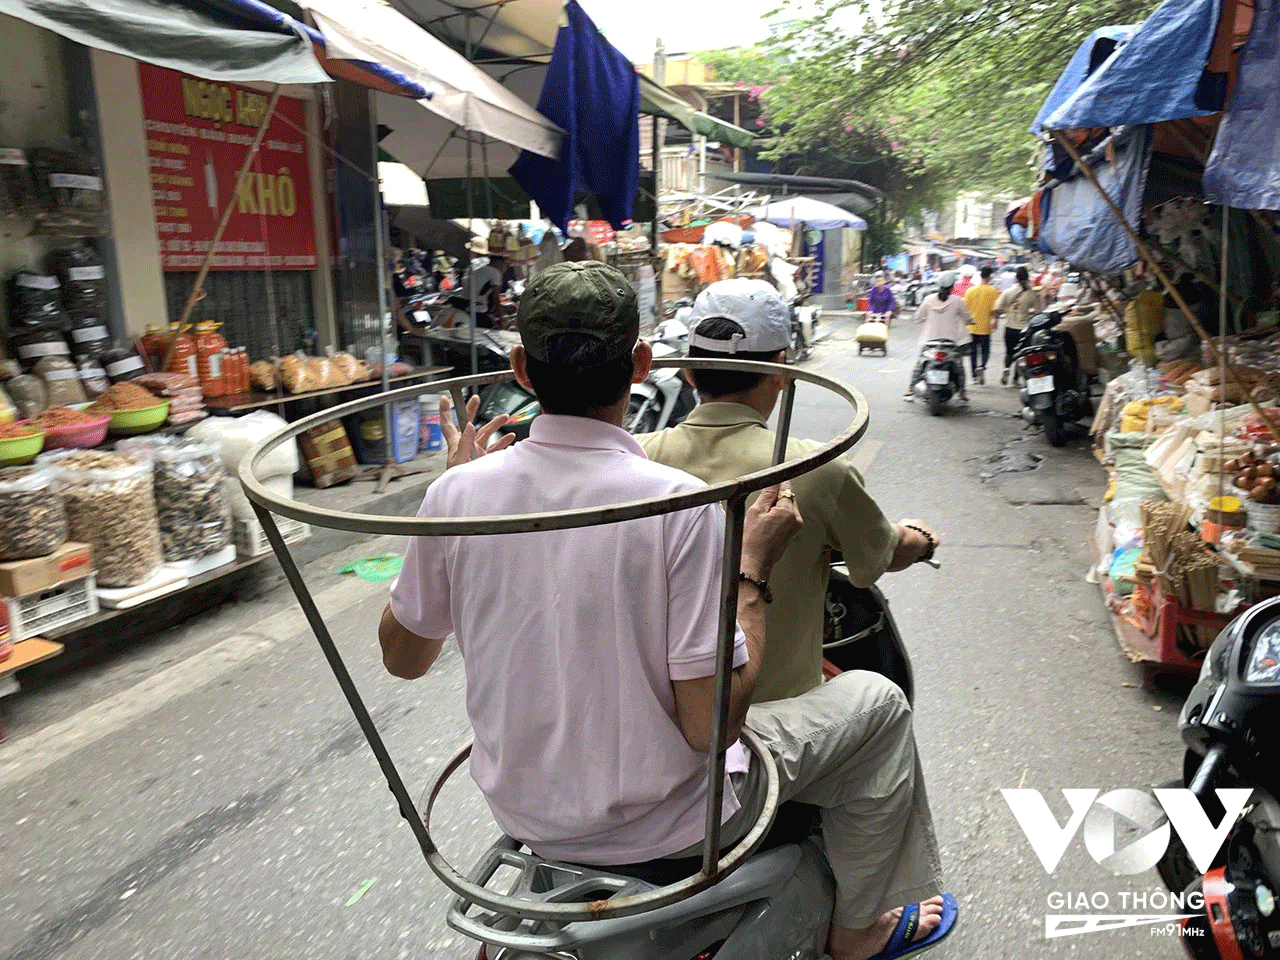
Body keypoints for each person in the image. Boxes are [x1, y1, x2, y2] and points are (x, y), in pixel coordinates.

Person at [382, 262, 950, 960]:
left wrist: (441, 515)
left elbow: (404, 660)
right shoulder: (677, 503)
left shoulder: (457, 498)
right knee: (879, 703)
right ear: (643, 363)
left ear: (523, 369)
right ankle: (858, 931)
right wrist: (752, 572)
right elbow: (709, 727)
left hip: (527, 809)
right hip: (670, 821)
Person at [639, 278, 942, 704]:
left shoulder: (638, 460)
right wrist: (923, 537)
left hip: (663, 717)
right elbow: (885, 552)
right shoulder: (815, 469)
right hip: (777, 719)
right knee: (885, 703)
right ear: (781, 372)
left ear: (688, 371)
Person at [904, 271, 972, 401]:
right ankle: (962, 392)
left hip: (930, 341)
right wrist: (970, 321)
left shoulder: (928, 300)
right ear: (952, 287)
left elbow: (918, 317)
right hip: (951, 342)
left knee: (920, 364)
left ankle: (911, 388)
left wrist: (924, 319)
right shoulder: (957, 301)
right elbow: (967, 318)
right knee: (959, 367)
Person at [993, 266, 1042, 386]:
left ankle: (1006, 369)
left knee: (1009, 352)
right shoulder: (1032, 294)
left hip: (1009, 327)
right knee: (1021, 354)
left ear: (1016, 278)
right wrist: (1028, 313)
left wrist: (1007, 312)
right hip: (1023, 329)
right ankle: (1015, 378)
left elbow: (997, 308)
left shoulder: (1008, 292)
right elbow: (1039, 312)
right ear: (1027, 277)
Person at [963, 266, 1000, 385]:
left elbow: (965, 308)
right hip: (985, 327)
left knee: (973, 352)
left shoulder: (970, 291)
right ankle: (982, 367)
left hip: (972, 327)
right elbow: (995, 309)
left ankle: (973, 376)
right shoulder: (993, 291)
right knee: (985, 351)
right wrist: (995, 321)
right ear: (989, 277)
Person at [460, 239, 505, 328]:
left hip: (464, 308)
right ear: (500, 264)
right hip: (476, 311)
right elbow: (496, 297)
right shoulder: (495, 272)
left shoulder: (475, 269)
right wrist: (501, 318)